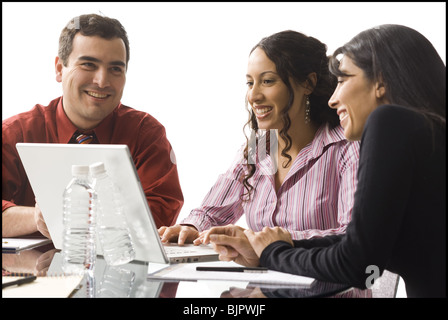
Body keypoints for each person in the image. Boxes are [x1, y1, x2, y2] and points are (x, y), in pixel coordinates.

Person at [202, 24, 446, 298]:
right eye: (250, 82)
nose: (333, 98)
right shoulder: (426, 135)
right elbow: (361, 246)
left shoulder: (384, 123)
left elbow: (356, 262)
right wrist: (266, 250)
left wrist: (273, 252)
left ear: (380, 82)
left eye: (342, 80)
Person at [159, 30, 360, 245]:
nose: (253, 96)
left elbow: (352, 237)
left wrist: (265, 240)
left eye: (267, 81)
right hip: (260, 278)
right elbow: (212, 212)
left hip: (321, 279)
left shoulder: (347, 148)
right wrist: (190, 228)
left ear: (308, 84)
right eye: (250, 83)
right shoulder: (260, 147)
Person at [2, 14, 184, 238]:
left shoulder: (146, 135)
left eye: (115, 69)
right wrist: (38, 217)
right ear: (60, 69)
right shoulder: (14, 133)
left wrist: (78, 217)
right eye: (88, 64)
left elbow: (159, 216)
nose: (102, 81)